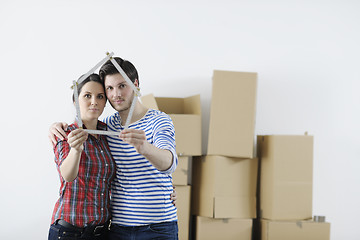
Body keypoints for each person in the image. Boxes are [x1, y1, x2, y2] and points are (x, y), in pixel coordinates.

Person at [49, 57, 179, 240]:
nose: (116, 94)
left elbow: (170, 162)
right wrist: (55, 127)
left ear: (135, 85)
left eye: (122, 86)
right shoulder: (106, 128)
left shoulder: (159, 120)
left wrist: (145, 148)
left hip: (157, 227)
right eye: (109, 88)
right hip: (118, 229)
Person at [48, 73, 116, 240]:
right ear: (75, 101)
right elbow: (67, 175)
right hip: (69, 233)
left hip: (102, 232)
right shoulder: (64, 133)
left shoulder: (109, 134)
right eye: (87, 96)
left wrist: (164, 188)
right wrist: (76, 149)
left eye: (100, 97)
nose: (94, 102)